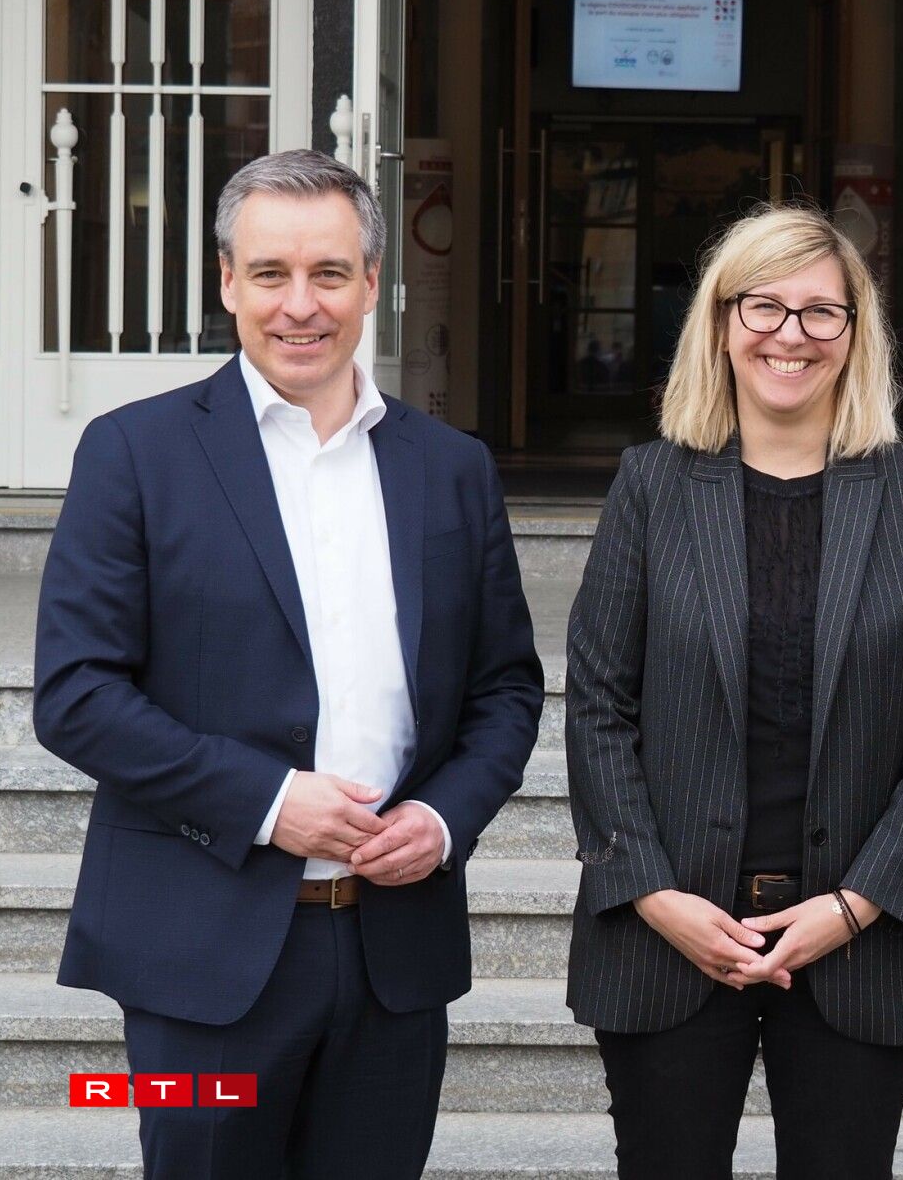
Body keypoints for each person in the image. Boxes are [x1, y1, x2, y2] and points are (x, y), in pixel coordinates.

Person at [32, 149, 544, 1178]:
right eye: (270, 273)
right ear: (227, 282)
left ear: (371, 282)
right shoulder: (133, 452)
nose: (299, 305)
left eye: (328, 273)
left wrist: (442, 819)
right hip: (202, 954)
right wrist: (269, 802)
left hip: (393, 951)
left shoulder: (452, 470)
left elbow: (505, 689)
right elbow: (76, 692)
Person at [564, 203, 903, 1178]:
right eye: (764, 306)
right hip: (669, 934)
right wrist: (657, 893)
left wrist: (855, 905)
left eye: (820, 313)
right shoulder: (651, 485)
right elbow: (596, 702)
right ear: (721, 321)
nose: (790, 334)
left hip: (855, 939)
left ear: (855, 334)